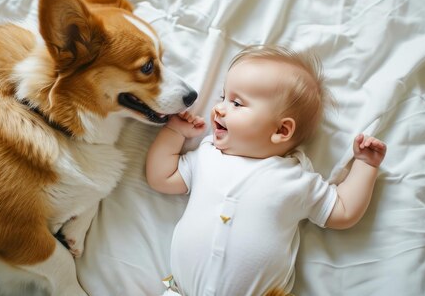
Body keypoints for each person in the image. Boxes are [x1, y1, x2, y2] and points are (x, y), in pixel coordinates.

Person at [146, 45, 387, 296]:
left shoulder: (296, 179)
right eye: (223, 97)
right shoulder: (207, 157)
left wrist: (365, 165)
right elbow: (161, 177)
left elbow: (343, 211)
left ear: (281, 131)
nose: (220, 108)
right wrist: (174, 132)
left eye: (237, 103)